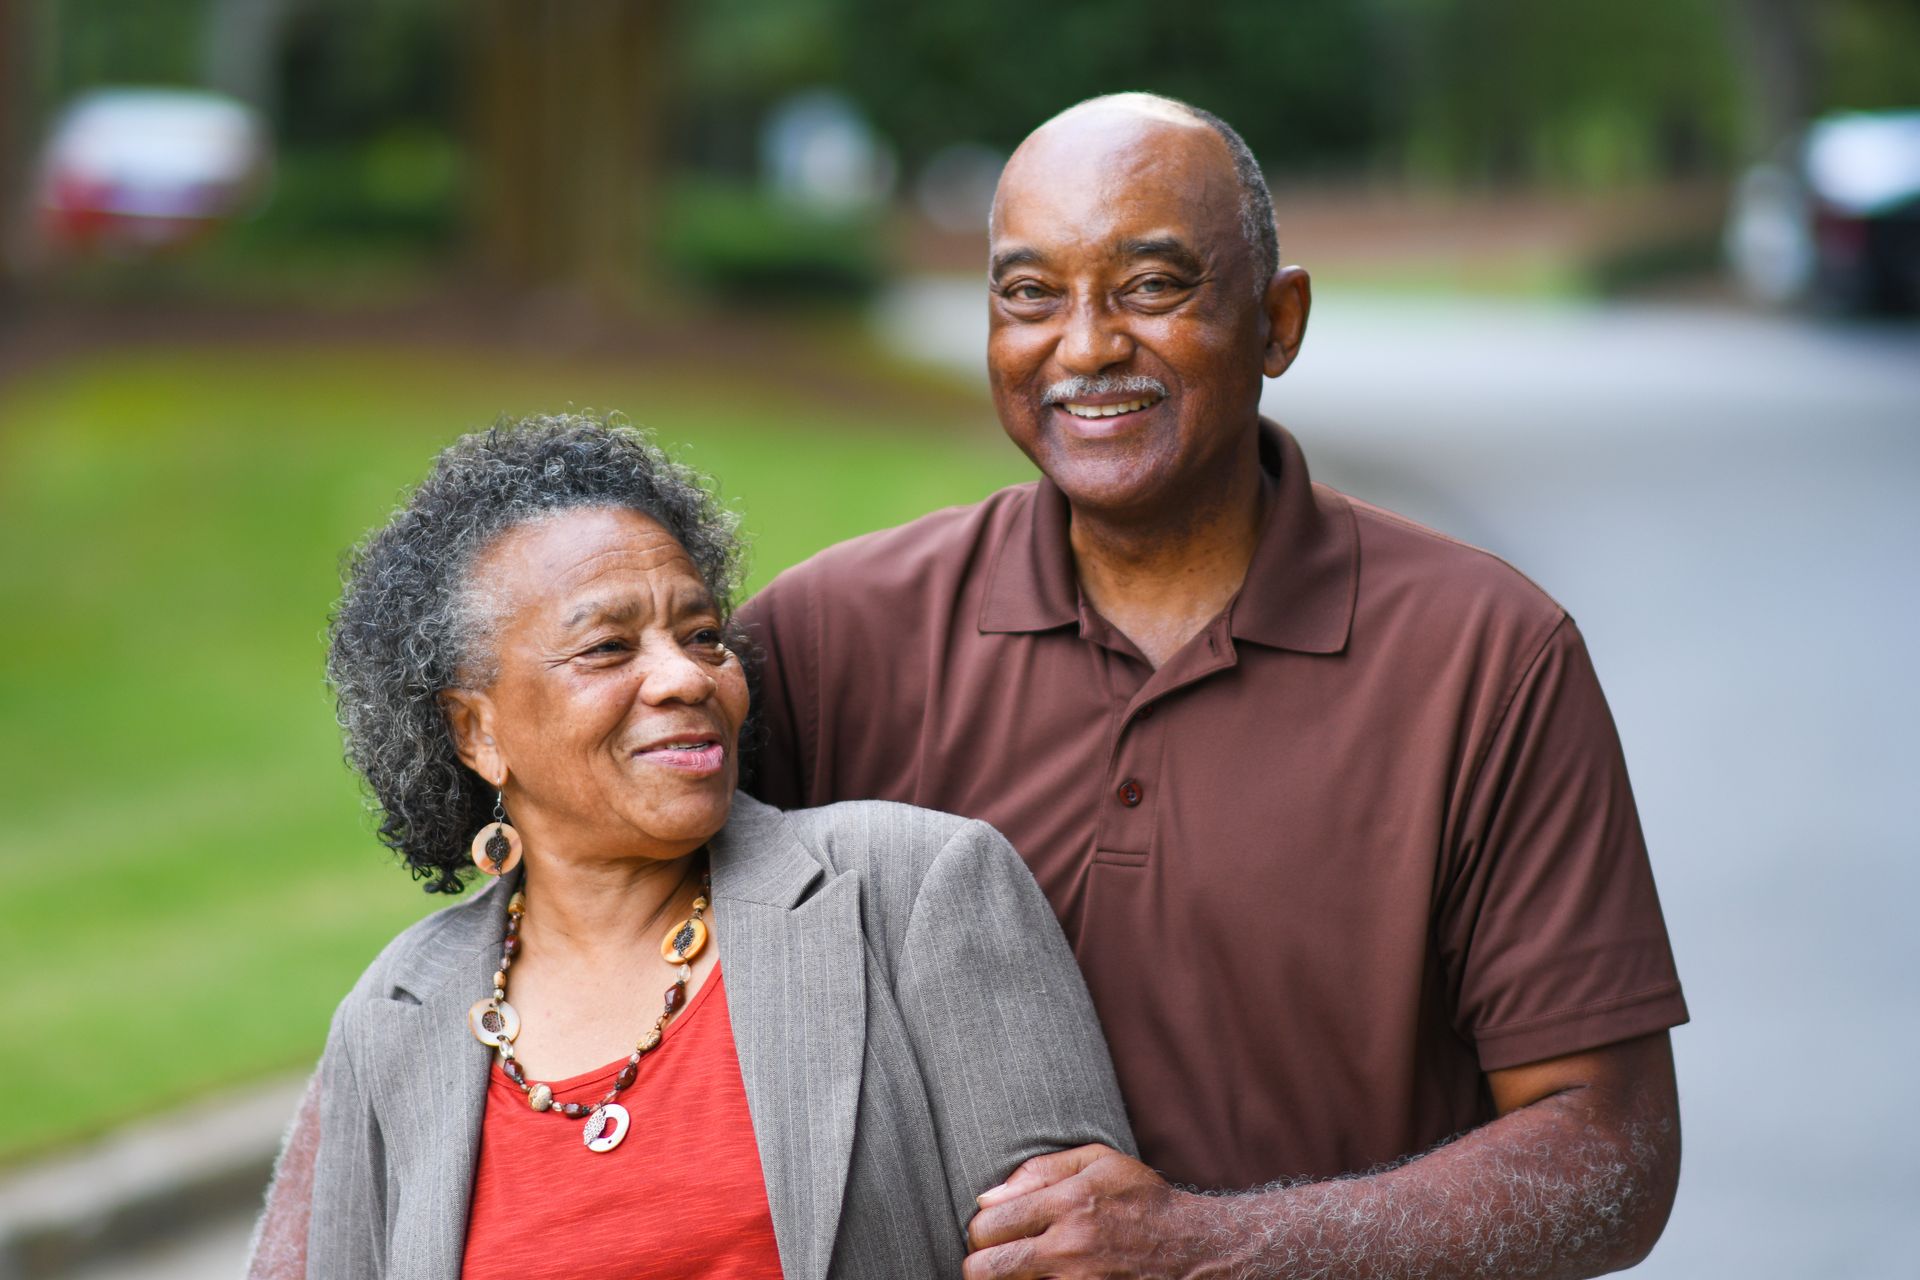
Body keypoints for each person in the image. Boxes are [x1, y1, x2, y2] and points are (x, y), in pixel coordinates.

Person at [739, 93, 1688, 1278]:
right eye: (1029, 294)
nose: (1083, 345)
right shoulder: (832, 637)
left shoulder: (1487, 656)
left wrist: (1208, 1247)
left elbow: (1612, 1150)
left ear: (1276, 320)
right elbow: (595, 925)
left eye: (1151, 286)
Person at [245, 415, 1132, 1279]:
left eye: (703, 636)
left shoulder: (915, 891)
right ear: (476, 731)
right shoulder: (397, 1015)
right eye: (607, 647)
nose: (684, 677)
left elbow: (1081, 1262)